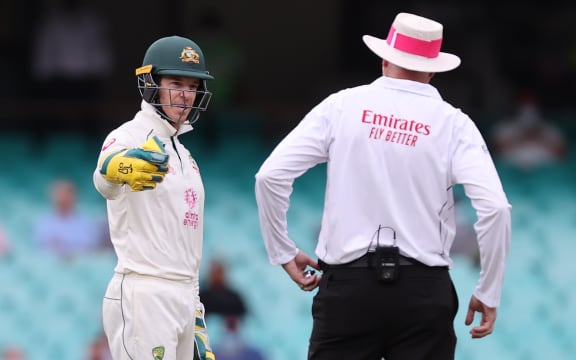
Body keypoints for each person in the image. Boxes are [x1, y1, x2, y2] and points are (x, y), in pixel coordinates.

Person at [255, 12, 511, 360]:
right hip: (424, 289)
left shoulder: (342, 106)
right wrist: (489, 289)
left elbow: (270, 176)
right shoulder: (455, 124)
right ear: (433, 69)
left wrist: (282, 250)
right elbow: (495, 208)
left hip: (348, 286)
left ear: (384, 60)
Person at [93, 35, 216, 360]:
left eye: (192, 86)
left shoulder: (186, 156)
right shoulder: (129, 136)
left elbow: (186, 248)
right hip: (143, 292)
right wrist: (117, 167)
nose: (185, 95)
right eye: (176, 83)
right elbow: (104, 176)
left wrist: (195, 311)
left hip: (185, 294)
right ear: (151, 84)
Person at [490, 90, 568, 170]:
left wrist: (538, 136)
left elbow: (562, 154)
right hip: (510, 172)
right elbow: (495, 152)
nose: (528, 109)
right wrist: (521, 136)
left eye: (531, 105)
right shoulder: (503, 127)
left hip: (546, 173)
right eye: (524, 104)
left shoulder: (551, 129)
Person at [33, 179, 106, 260]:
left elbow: (92, 248)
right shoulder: (45, 224)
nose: (63, 199)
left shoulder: (86, 224)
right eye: (60, 195)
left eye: (66, 195)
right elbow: (43, 249)